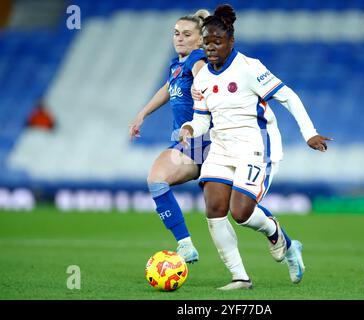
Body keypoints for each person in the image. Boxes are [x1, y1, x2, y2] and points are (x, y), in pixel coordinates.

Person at [180, 4, 331, 290]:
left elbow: (288, 96)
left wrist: (309, 133)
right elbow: (201, 120)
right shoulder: (200, 78)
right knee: (213, 206)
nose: (211, 48)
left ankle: (279, 237)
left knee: (241, 213)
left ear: (231, 41)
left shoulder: (250, 68)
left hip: (255, 145)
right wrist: (190, 128)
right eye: (207, 42)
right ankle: (239, 277)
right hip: (221, 146)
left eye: (218, 41)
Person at [128, 10, 210, 263]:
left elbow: (203, 77)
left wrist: (204, 90)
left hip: (207, 141)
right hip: (189, 144)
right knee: (157, 179)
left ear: (199, 40)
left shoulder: (197, 59)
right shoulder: (177, 65)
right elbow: (167, 89)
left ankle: (284, 243)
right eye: (176, 33)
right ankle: (185, 244)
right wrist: (143, 113)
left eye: (187, 34)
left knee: (239, 211)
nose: (180, 38)